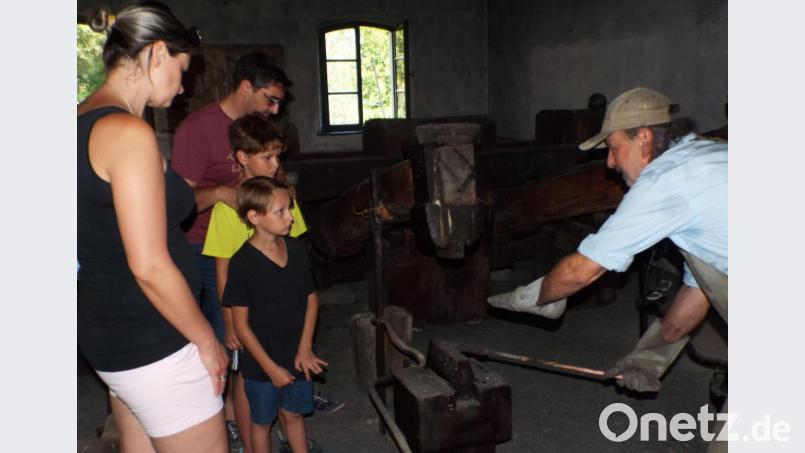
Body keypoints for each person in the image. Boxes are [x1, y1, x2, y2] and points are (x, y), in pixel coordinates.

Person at [488, 86, 727, 392]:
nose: (610, 163)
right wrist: (648, 359)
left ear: (644, 138)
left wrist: (534, 297)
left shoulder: (663, 181)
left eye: (614, 148)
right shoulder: (707, 154)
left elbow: (581, 271)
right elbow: (702, 285)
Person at [77, 3, 228, 452]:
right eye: (181, 71)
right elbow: (149, 266)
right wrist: (207, 341)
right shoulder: (127, 133)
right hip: (155, 341)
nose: (183, 87)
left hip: (112, 335)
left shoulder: (81, 121)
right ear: (157, 53)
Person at [171, 52, 292, 449]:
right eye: (270, 99)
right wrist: (223, 193)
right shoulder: (198, 129)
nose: (275, 110)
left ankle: (268, 410)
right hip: (204, 247)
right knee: (226, 341)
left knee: (262, 334)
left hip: (253, 245)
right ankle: (226, 419)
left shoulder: (259, 129)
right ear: (244, 87)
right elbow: (176, 201)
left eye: (278, 103)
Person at [202, 113, 310, 451]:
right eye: (268, 157)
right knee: (246, 377)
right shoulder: (227, 209)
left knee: (285, 370)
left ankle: (286, 431)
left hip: (282, 308)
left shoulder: (284, 200)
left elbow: (297, 253)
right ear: (242, 157)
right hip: (245, 308)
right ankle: (251, 443)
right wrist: (229, 321)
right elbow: (222, 270)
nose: (275, 164)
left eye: (278, 156)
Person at [223, 177, 328, 453]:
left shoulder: (295, 248)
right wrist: (270, 369)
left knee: (294, 415)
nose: (290, 217)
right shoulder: (242, 263)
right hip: (261, 365)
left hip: (296, 356)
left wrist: (305, 348)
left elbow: (311, 298)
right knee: (262, 423)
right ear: (254, 217)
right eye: (280, 211)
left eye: (289, 208)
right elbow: (241, 326)